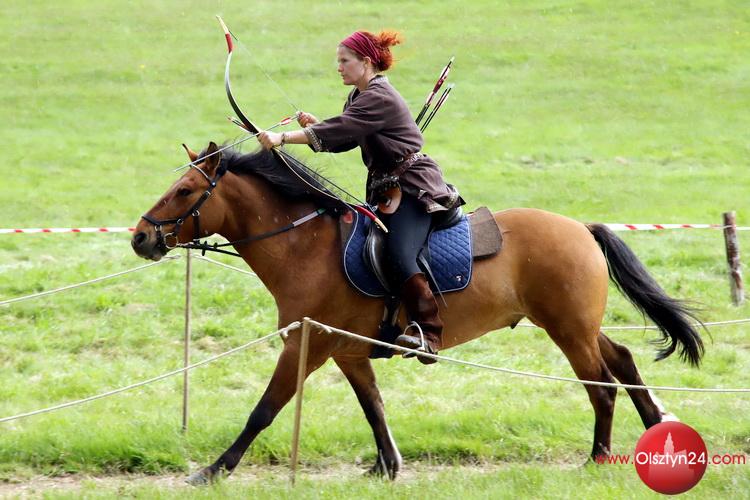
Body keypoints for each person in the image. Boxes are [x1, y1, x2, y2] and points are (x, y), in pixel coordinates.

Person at [257, 30, 463, 364]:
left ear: (366, 62)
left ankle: (429, 332)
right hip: (388, 191)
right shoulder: (358, 96)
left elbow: (341, 129)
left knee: (399, 253)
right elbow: (344, 136)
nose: (339, 67)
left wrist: (283, 137)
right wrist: (316, 127)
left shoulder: (379, 95)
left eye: (344, 61)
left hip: (413, 187)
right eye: (338, 61)